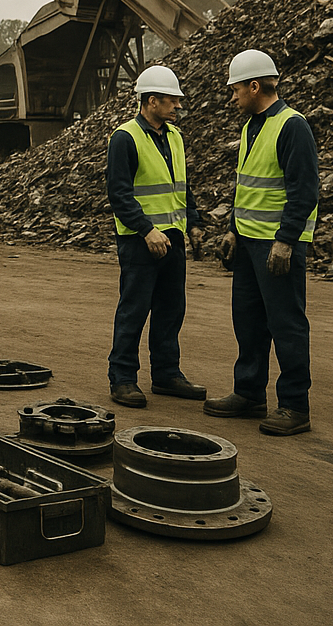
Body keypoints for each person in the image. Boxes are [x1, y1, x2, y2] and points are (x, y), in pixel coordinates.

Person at [206, 49, 319, 436]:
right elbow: (248, 188)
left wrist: (286, 241)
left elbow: (304, 191)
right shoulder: (251, 125)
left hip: (278, 247)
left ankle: (294, 406)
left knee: (286, 324)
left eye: (235, 88)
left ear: (255, 86)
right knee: (249, 322)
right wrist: (234, 232)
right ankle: (250, 393)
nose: (232, 96)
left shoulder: (292, 126)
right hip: (250, 243)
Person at [105, 66, 206, 408]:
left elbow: (182, 185)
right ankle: (122, 378)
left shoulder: (175, 136)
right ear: (151, 101)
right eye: (172, 100)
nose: (178, 106)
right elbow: (119, 194)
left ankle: (166, 374)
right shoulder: (125, 138)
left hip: (173, 238)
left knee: (171, 309)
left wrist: (193, 222)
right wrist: (147, 230)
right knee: (134, 309)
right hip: (140, 240)